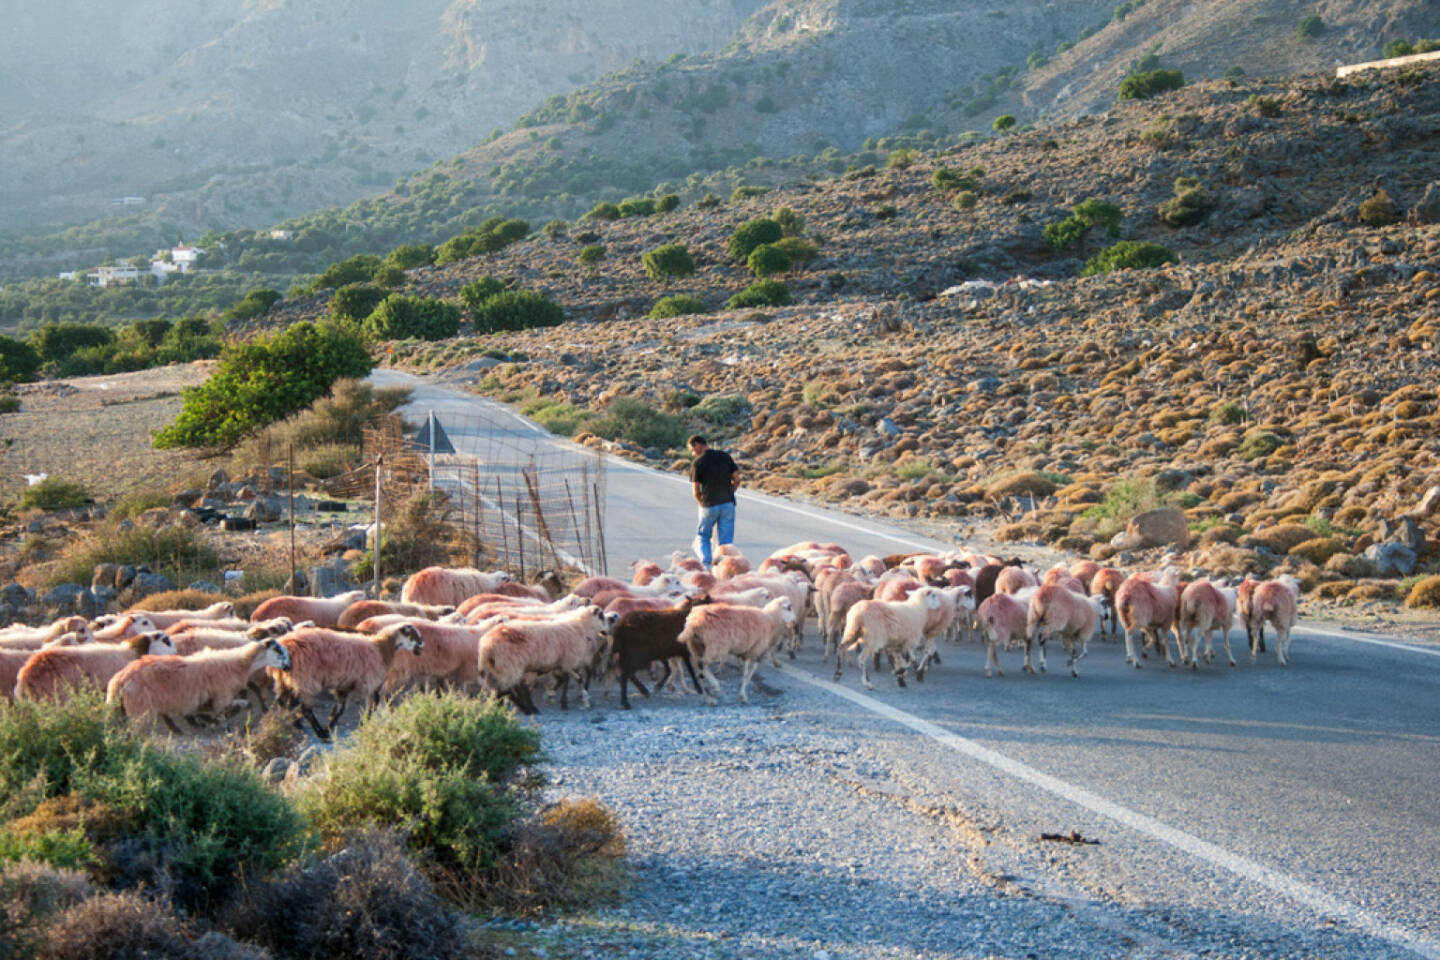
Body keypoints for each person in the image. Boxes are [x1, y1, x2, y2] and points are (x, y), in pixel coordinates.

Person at [687, 434, 740, 569]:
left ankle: (706, 566)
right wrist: (730, 493)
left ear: (697, 445)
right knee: (726, 542)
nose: (693, 453)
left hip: (709, 505)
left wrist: (702, 503)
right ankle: (724, 567)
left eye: (692, 450)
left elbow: (696, 491)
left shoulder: (698, 462)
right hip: (728, 504)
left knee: (704, 536)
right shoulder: (725, 457)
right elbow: (737, 480)